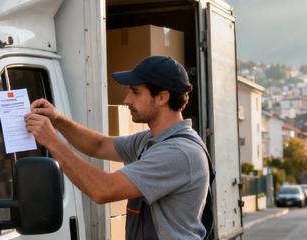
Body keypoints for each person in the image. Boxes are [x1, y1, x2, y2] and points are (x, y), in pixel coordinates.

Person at [25, 56, 211, 239]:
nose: (127, 100)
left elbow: (102, 189)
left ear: (162, 97)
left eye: (135, 92)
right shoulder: (151, 140)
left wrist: (53, 142)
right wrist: (57, 120)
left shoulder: (178, 152)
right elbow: (99, 145)